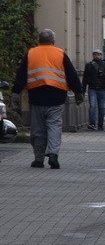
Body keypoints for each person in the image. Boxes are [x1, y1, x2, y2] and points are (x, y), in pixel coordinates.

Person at [10, 29, 84, 169]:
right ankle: (53, 154)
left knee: (37, 129)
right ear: (53, 41)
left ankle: (38, 159)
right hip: (56, 97)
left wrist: (15, 92)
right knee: (54, 127)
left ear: (39, 40)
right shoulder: (60, 54)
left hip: (36, 96)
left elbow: (21, 74)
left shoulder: (31, 53)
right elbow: (71, 74)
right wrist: (78, 92)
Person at [82, 49, 105, 131]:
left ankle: (100, 124)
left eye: (98, 54)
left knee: (101, 107)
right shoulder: (89, 65)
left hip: (103, 89)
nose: (97, 56)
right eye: (95, 54)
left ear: (101, 55)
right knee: (92, 106)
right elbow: (85, 77)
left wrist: (104, 75)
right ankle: (92, 124)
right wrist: (83, 89)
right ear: (93, 55)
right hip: (92, 88)